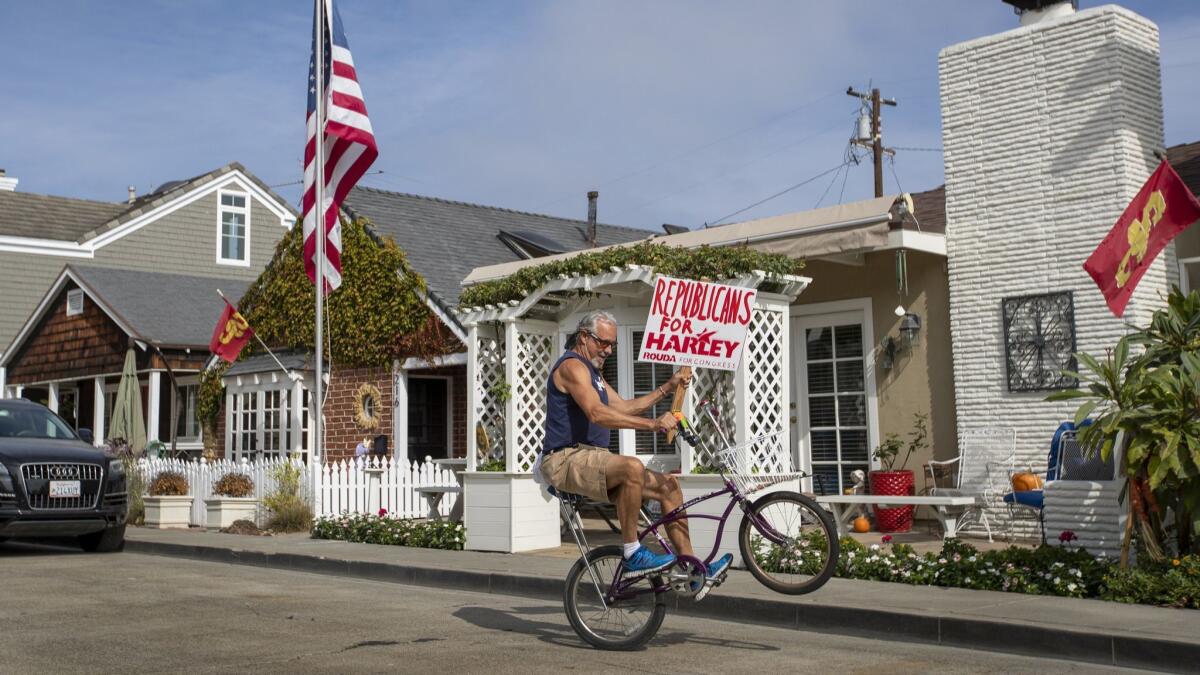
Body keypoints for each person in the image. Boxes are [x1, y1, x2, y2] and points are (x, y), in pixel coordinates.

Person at [540, 310, 732, 585]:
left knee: (669, 486)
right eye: (602, 342)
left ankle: (694, 571)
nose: (607, 350)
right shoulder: (572, 367)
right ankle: (632, 553)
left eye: (612, 345)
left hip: (595, 458)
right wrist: (653, 425)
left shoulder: (594, 374)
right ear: (584, 337)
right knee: (631, 466)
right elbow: (597, 413)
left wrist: (669, 386)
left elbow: (623, 406)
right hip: (565, 459)